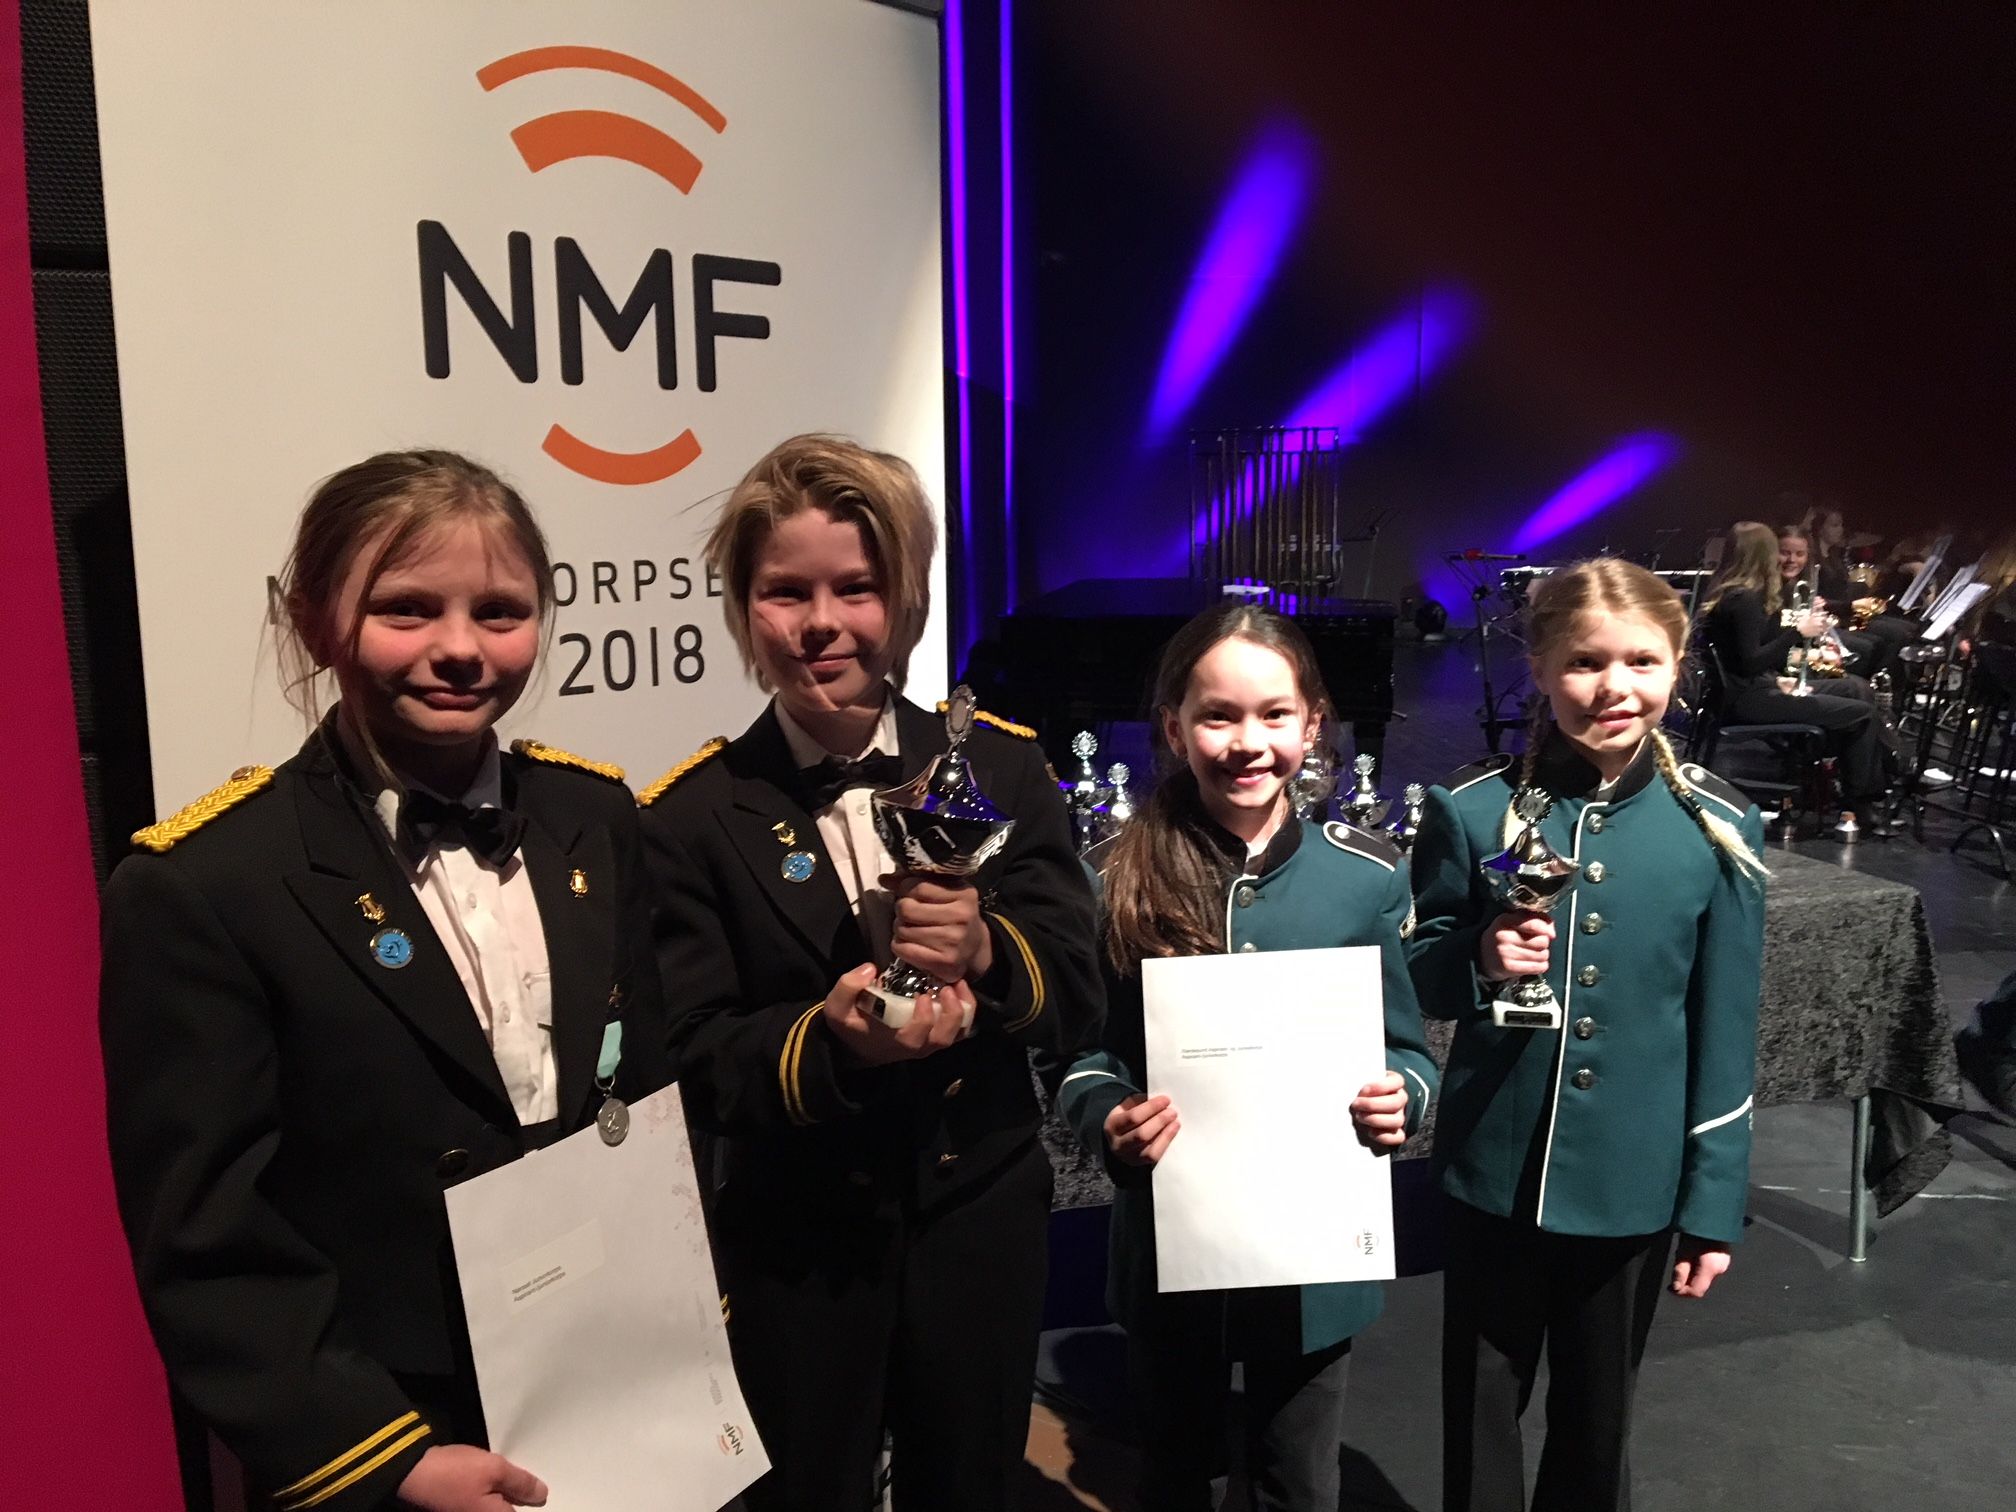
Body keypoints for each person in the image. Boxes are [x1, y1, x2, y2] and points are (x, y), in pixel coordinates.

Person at [99, 450, 668, 1512]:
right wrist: (387, 1458)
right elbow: (207, 1234)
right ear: (315, 621)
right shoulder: (206, 884)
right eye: (406, 609)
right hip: (398, 1416)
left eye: (499, 611)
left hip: (602, 1373)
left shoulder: (596, 818)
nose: (460, 648)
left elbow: (642, 1089)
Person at [636, 434, 1103, 1512]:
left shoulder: (1000, 764)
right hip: (800, 1240)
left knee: (971, 1488)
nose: (821, 623)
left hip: (978, 1214)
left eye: (856, 587)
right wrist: (831, 1042)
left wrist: (987, 950)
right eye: (783, 591)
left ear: (908, 595)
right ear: (741, 606)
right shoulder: (690, 817)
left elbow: (1077, 990)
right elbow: (692, 1056)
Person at [1056, 602, 1437, 1511]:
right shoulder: (1111, 874)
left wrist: (1404, 1097)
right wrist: (1109, 1116)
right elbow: (1080, 1057)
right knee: (1172, 1476)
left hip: (1315, 1262)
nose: (1247, 742)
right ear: (1172, 728)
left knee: (1298, 1482)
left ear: (1313, 724)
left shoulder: (1365, 876)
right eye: (1218, 716)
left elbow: (1406, 1047)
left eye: (1273, 715)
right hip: (1170, 1248)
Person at [1408, 558, 1767, 1512]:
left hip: (1633, 1179)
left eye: (1642, 661)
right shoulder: (1471, 808)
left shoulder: (1721, 827)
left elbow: (1725, 1029)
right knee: (1480, 1408)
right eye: (1585, 662)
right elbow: (1419, 973)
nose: (1616, 687)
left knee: (1598, 1422)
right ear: (1537, 667)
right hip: (1495, 1168)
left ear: (1678, 664)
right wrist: (1480, 957)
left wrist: (1713, 1202)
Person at [1699, 521, 1892, 827]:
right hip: (1747, 701)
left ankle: (1861, 781)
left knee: (1854, 688)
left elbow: (1741, 661)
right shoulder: (1744, 600)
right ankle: (1860, 804)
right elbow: (1750, 662)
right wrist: (1797, 632)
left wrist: (1777, 678)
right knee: (1862, 714)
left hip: (1754, 689)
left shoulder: (1738, 594)